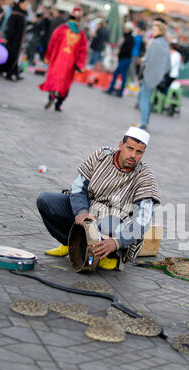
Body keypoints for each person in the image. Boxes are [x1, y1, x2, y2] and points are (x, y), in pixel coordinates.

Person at [36, 127, 161, 271]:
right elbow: (77, 187)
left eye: (139, 152)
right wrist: (81, 211)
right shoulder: (102, 155)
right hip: (89, 213)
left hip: (116, 228)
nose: (133, 155)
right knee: (45, 200)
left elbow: (143, 219)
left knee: (109, 223)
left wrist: (117, 242)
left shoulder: (146, 177)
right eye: (130, 148)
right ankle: (71, 244)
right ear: (121, 145)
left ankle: (112, 257)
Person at [39, 6, 87, 112]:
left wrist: (47, 57)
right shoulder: (81, 34)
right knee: (65, 83)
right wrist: (80, 65)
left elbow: (52, 43)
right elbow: (82, 52)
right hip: (70, 63)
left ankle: (51, 96)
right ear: (79, 19)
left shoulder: (61, 29)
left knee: (53, 79)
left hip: (57, 60)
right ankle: (59, 104)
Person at [137, 19, 170, 130]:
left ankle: (143, 122)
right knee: (144, 96)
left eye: (155, 29)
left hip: (149, 74)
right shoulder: (164, 43)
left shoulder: (155, 43)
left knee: (144, 98)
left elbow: (148, 59)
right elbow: (167, 64)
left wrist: (143, 62)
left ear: (161, 31)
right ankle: (145, 120)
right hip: (156, 75)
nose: (153, 31)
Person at [0, 0, 28, 81]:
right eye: (25, 4)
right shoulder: (15, 14)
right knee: (11, 56)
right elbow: (10, 27)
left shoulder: (23, 14)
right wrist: (7, 37)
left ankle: (14, 72)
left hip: (19, 40)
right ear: (20, 4)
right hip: (12, 40)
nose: (26, 5)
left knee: (16, 56)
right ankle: (8, 72)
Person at [104, 21, 134, 97]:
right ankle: (119, 91)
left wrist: (120, 51)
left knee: (117, 73)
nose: (124, 29)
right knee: (122, 75)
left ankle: (113, 89)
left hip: (125, 58)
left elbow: (127, 50)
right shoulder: (126, 37)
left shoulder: (129, 38)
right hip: (124, 58)